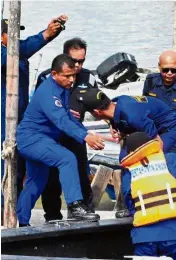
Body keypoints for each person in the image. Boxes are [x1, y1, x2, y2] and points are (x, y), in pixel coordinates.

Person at [16, 54, 105, 226]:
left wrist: (85, 132)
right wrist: (85, 137)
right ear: (54, 74)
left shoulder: (62, 88)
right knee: (67, 158)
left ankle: (22, 222)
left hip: (43, 141)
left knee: (36, 182)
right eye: (67, 76)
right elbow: (61, 120)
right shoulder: (48, 92)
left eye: (73, 76)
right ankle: (75, 206)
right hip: (32, 140)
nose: (71, 80)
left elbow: (68, 117)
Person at [1, 15, 67, 197]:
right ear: (1, 36)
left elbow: (23, 49)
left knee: (19, 165)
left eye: (17, 34)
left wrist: (52, 33)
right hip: (2, 118)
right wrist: (46, 35)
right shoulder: (7, 53)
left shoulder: (18, 52)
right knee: (4, 165)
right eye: (11, 34)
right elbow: (19, 52)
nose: (16, 39)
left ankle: (14, 209)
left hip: (20, 115)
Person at [35, 38, 97, 221]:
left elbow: (98, 106)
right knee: (51, 179)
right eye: (74, 60)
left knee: (81, 176)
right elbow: (39, 106)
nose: (77, 65)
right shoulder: (47, 77)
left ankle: (84, 212)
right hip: (52, 135)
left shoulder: (89, 78)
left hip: (76, 136)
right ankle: (52, 216)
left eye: (81, 61)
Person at [120, 132, 176, 260]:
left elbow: (129, 200)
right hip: (173, 231)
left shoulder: (129, 173)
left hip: (145, 234)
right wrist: (160, 151)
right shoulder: (167, 161)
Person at [77, 88, 176, 155]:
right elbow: (111, 112)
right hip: (146, 124)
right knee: (124, 157)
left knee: (154, 156)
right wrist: (112, 124)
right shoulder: (116, 101)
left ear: (96, 112)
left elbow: (158, 143)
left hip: (169, 126)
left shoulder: (132, 117)